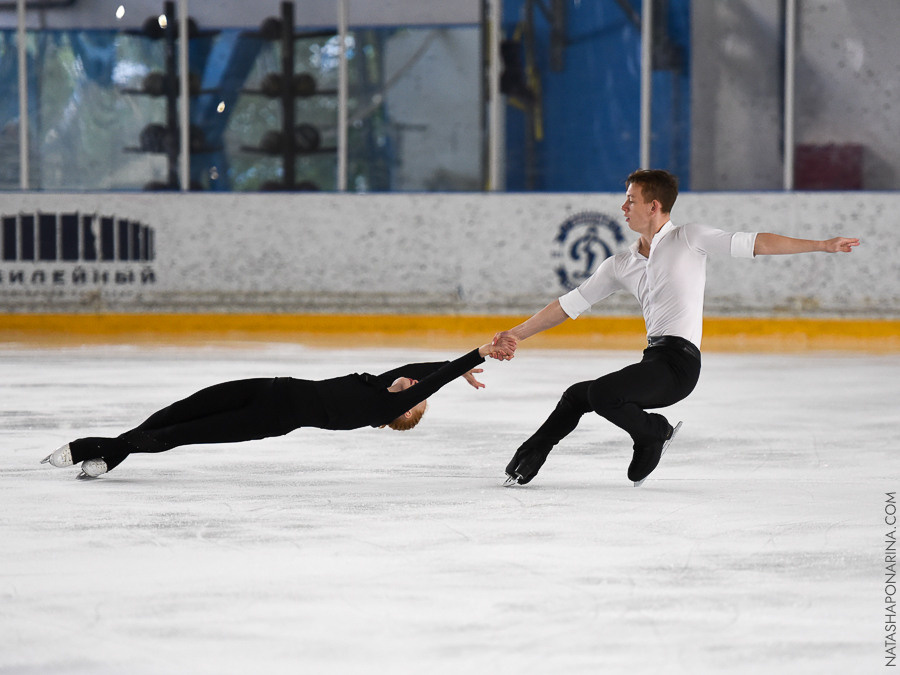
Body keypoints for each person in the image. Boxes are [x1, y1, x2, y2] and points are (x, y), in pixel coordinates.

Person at [492, 169, 860, 487]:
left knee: (604, 394)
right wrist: (516, 334)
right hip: (653, 360)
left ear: (654, 206)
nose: (623, 208)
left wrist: (822, 245)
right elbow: (568, 305)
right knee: (578, 395)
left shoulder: (690, 238)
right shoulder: (620, 264)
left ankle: (654, 433)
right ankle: (531, 455)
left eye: (630, 200)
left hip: (680, 366)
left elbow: (757, 243)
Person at [41, 338, 515, 479]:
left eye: (418, 395)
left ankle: (90, 447)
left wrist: (476, 358)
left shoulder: (376, 406)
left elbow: (430, 377)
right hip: (266, 387)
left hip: (268, 419)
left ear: (405, 409)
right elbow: (419, 366)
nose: (415, 384)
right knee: (176, 411)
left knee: (179, 435)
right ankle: (112, 455)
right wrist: (458, 366)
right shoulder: (377, 382)